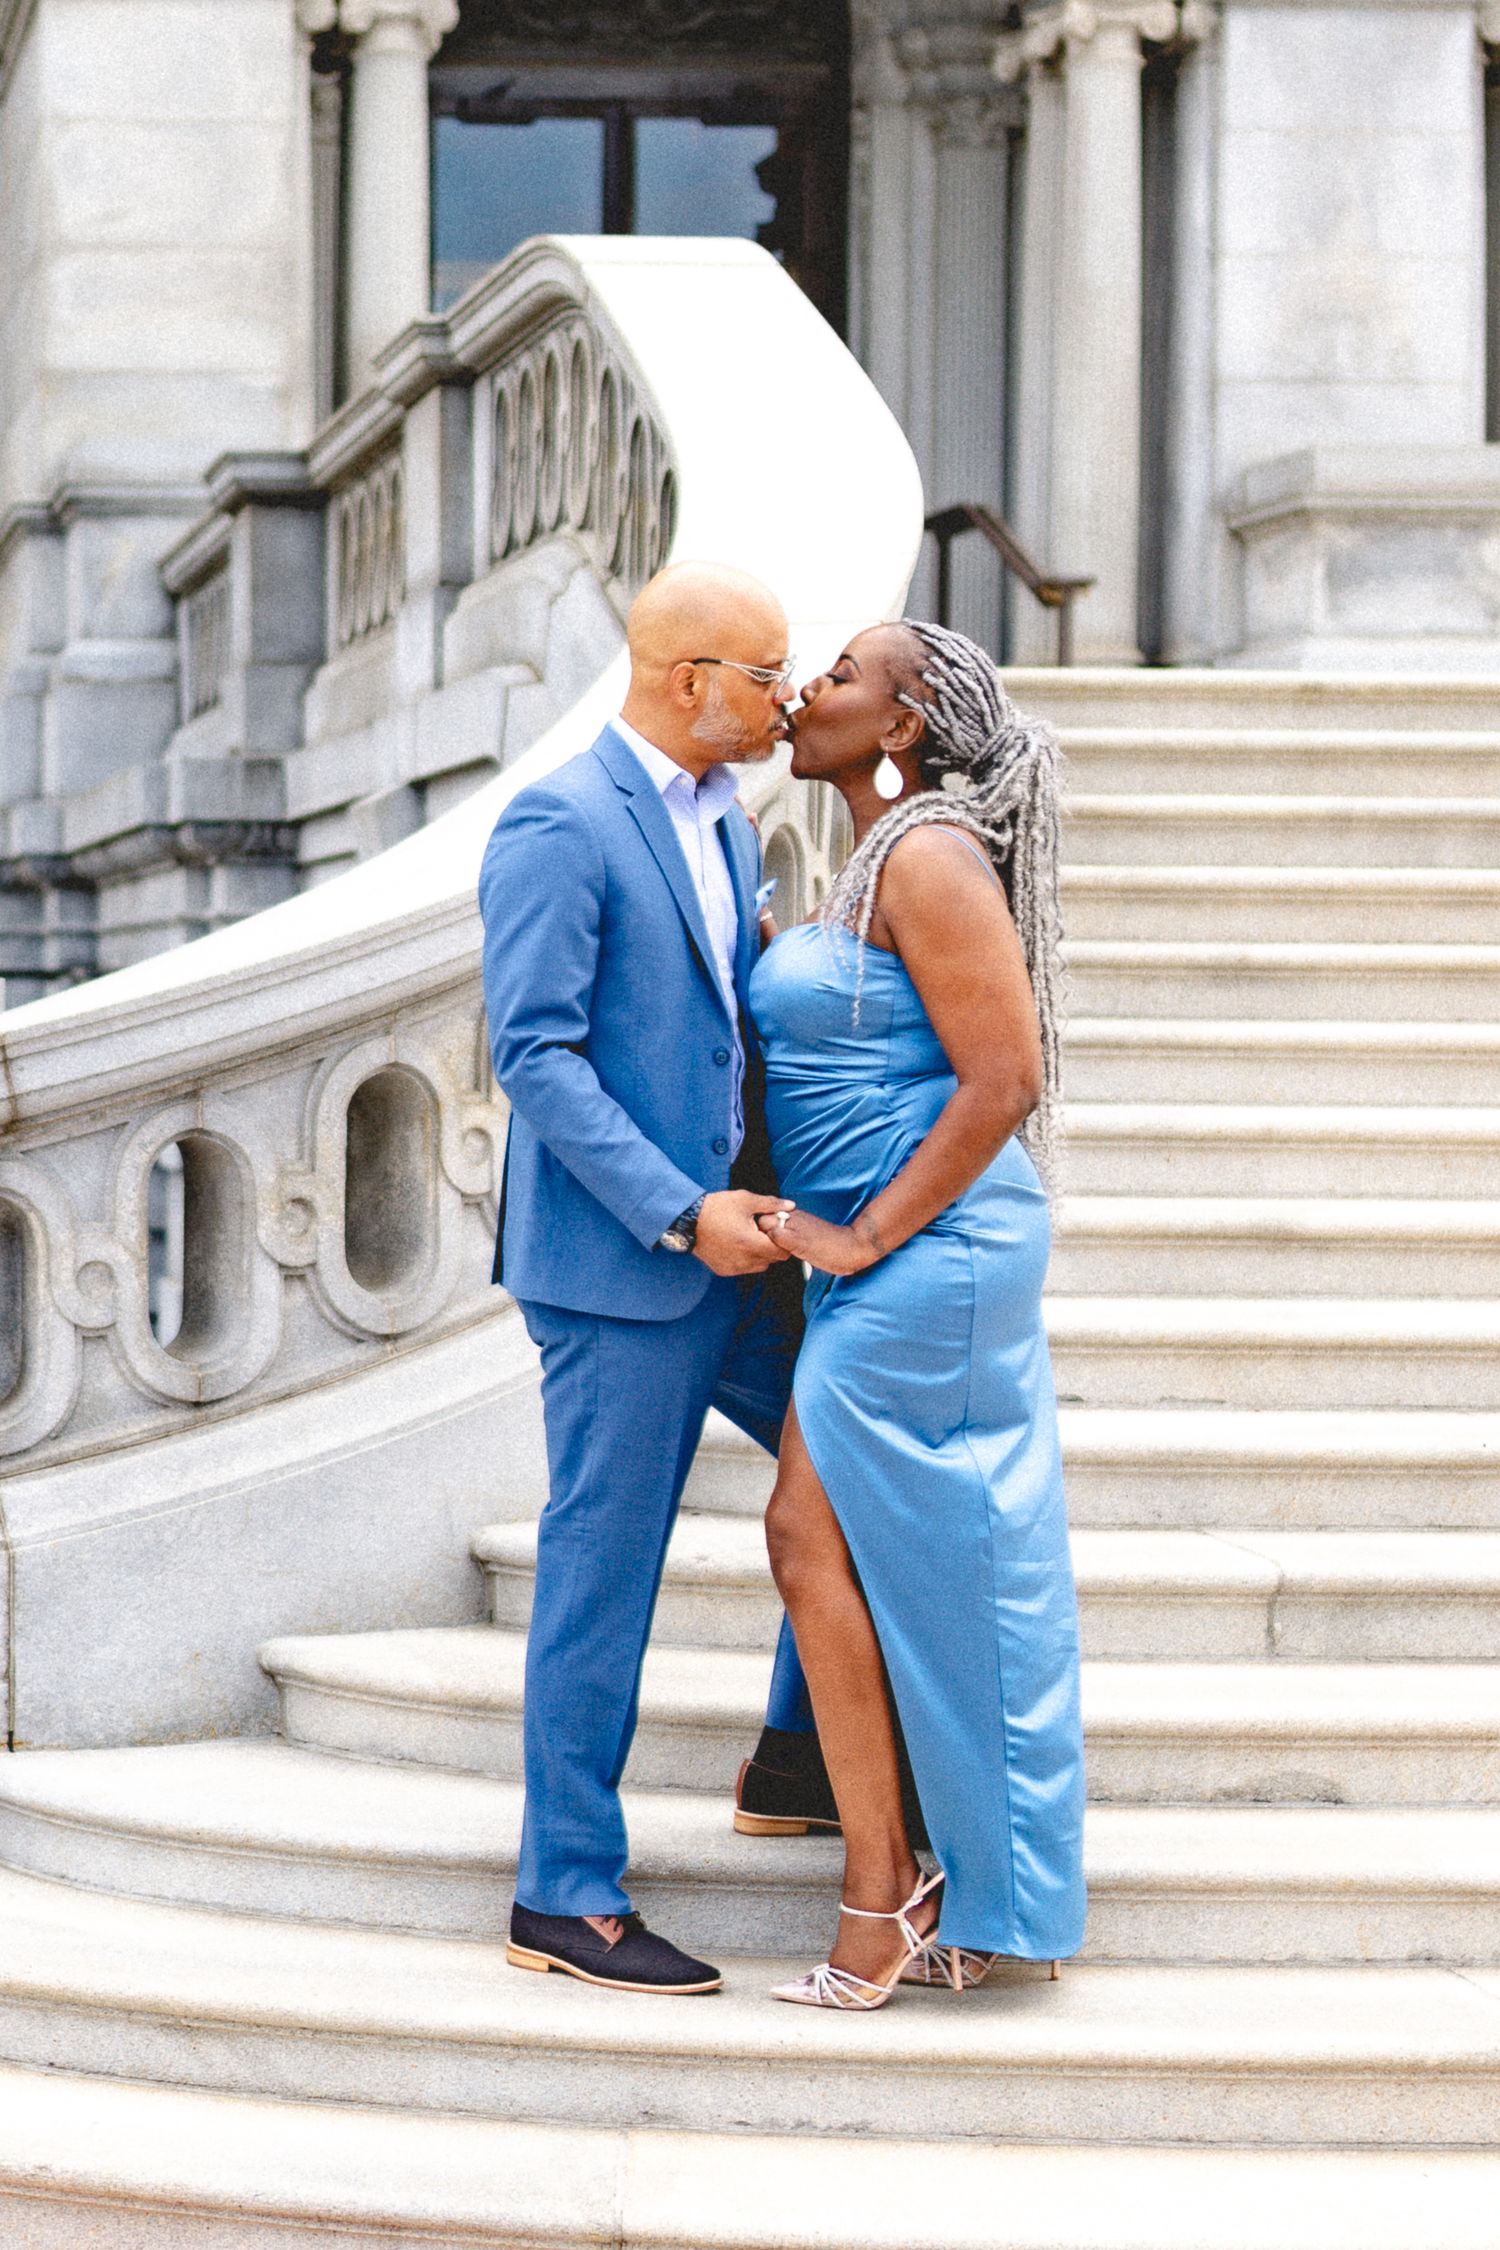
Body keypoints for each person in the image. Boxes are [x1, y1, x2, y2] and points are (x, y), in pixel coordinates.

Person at [478, 559, 815, 1996]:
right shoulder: (561, 821)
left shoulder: (726, 815)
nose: (787, 696)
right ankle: (563, 1893)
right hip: (627, 1269)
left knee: (858, 1466)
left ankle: (798, 1754)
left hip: (745, 1254)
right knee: (602, 1575)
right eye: (766, 673)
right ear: (691, 680)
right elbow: (535, 1055)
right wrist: (681, 1215)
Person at [747, 618, 1087, 2010]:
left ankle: (884, 1896)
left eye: (837, 675)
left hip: (932, 1255)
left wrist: (864, 1236)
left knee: (828, 1538)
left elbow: (1005, 1077)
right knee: (862, 1551)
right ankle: (917, 1886)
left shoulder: (931, 854)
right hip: (892, 1261)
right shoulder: (873, 855)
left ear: (898, 727)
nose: (802, 690)